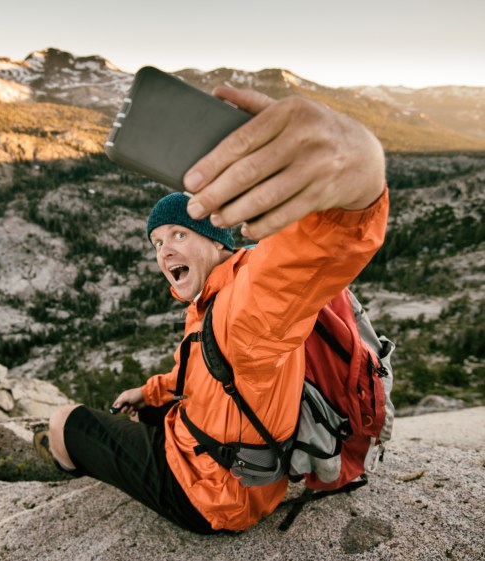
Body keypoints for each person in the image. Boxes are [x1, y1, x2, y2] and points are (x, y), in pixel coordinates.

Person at [34, 84, 389, 533]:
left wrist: (359, 171)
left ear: (219, 240)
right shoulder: (211, 298)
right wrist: (151, 392)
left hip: (212, 494)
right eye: (158, 243)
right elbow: (201, 375)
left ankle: (63, 467)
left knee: (66, 422)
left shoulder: (246, 303)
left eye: (179, 235)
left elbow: (312, 253)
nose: (164, 252)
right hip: (225, 459)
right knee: (138, 413)